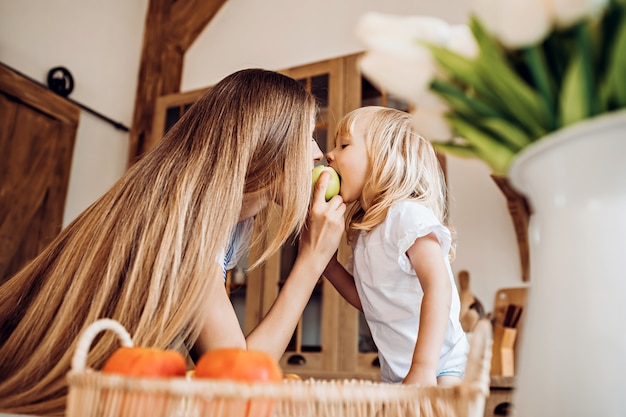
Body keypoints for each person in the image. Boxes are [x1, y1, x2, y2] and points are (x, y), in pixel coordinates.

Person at [0, 68, 346, 416]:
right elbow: (240, 385)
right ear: (266, 141)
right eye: (306, 136)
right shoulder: (193, 212)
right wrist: (311, 261)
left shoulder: (227, 218)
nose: (318, 154)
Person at [323, 106, 468, 386]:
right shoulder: (366, 231)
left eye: (344, 145)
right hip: (398, 370)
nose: (330, 154)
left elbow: (439, 286)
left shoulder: (406, 215)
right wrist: (327, 265)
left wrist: (423, 367)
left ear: (384, 158)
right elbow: (369, 301)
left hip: (440, 365)